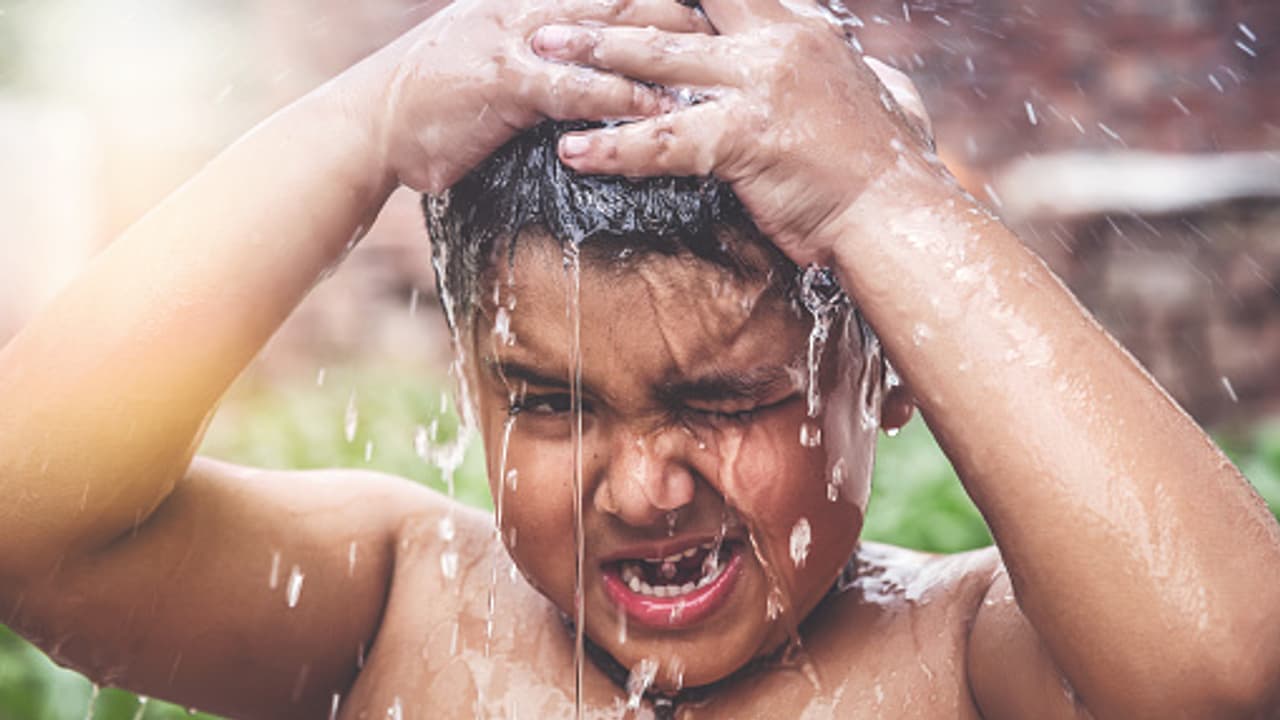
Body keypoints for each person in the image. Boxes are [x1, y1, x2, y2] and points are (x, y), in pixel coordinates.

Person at [1, 0, 1278, 718]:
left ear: (889, 370)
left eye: (723, 397)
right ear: (470, 386)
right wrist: (367, 118)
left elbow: (1222, 675)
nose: (642, 488)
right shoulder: (395, 606)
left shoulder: (959, 661)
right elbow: (32, 517)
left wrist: (885, 198)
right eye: (550, 405)